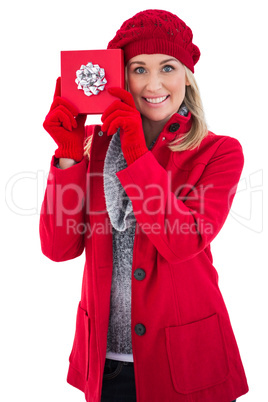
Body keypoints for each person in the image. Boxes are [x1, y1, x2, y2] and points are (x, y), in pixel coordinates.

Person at [40, 9, 249, 402]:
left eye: (167, 67)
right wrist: (69, 155)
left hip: (186, 361)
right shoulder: (92, 145)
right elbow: (58, 248)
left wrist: (138, 154)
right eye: (138, 69)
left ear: (186, 76)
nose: (154, 84)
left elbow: (182, 242)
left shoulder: (219, 152)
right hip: (106, 365)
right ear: (122, 78)